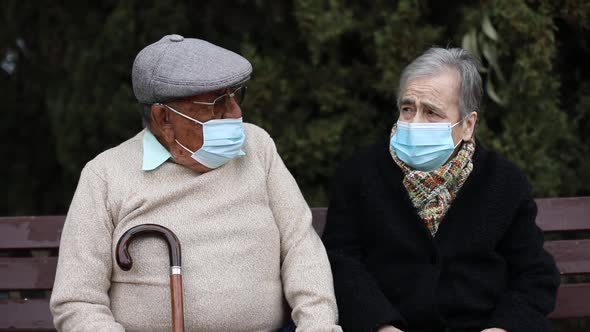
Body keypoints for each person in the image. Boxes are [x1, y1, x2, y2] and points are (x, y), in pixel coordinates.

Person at [50, 34, 341, 332]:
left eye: (235, 96)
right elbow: (77, 302)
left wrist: (316, 325)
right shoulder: (106, 175)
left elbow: (300, 246)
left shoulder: (258, 146)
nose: (236, 113)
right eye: (216, 103)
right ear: (163, 117)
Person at [322, 47, 560, 332]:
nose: (414, 123)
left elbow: (535, 275)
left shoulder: (505, 182)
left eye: (432, 112)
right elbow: (341, 263)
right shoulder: (359, 174)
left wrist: (502, 329)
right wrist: (380, 325)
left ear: (468, 125)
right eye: (408, 108)